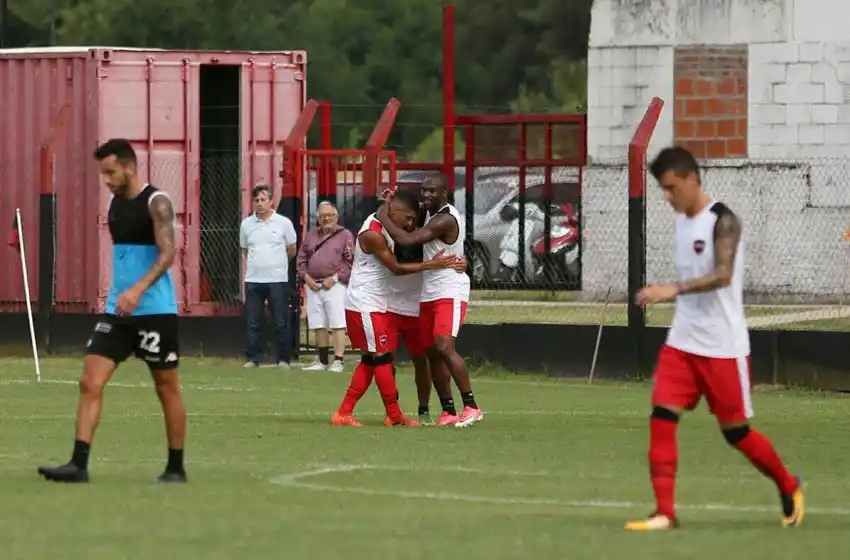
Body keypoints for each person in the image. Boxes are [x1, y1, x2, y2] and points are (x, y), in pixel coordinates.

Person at [625, 146, 805, 531]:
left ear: (692, 179)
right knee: (661, 415)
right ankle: (664, 513)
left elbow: (723, 275)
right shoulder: (680, 222)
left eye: (672, 188)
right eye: (663, 189)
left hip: (723, 347)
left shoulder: (723, 221)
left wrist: (671, 289)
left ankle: (789, 485)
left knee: (736, 433)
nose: (668, 197)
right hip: (683, 342)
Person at [37, 138, 187, 483]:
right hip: (117, 312)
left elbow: (168, 253)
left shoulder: (157, 202)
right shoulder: (115, 203)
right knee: (90, 381)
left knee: (166, 388)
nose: (106, 179)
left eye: (110, 172)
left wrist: (137, 289)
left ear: (129, 166)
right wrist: (123, 293)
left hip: (155, 313)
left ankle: (175, 468)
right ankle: (78, 464)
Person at [332, 190, 464, 427]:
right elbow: (396, 268)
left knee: (371, 361)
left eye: (415, 219)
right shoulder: (373, 233)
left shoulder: (386, 222)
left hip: (374, 303)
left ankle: (344, 412)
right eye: (409, 218)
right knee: (381, 359)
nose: (411, 224)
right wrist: (433, 264)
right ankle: (394, 415)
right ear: (394, 212)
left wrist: (387, 200)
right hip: (365, 304)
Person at [377, 176, 483, 428]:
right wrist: (388, 200)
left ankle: (471, 406)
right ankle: (448, 411)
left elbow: (407, 240)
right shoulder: (426, 212)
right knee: (432, 353)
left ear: (445, 193)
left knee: (445, 346)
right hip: (429, 291)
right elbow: (403, 213)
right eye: (423, 190)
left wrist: (381, 215)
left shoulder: (446, 218)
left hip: (450, 289)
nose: (426, 195)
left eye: (432, 191)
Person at [239, 184, 298, 368]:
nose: (259, 203)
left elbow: (292, 249)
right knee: (253, 322)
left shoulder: (283, 223)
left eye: (263, 199)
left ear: (271, 201)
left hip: (277, 280)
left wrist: (276, 263)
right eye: (256, 200)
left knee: (281, 321)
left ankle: (283, 359)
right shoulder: (246, 224)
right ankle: (253, 358)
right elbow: (245, 250)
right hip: (253, 280)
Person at [296, 201, 354, 372]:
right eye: (322, 216)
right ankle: (321, 361)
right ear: (318, 219)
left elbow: (350, 261)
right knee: (317, 322)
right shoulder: (311, 235)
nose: (326, 218)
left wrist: (335, 278)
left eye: (329, 215)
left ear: (336, 217)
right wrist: (305, 277)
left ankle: (338, 360)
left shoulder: (345, 236)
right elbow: (301, 258)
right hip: (313, 284)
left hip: (334, 285)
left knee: (337, 322)